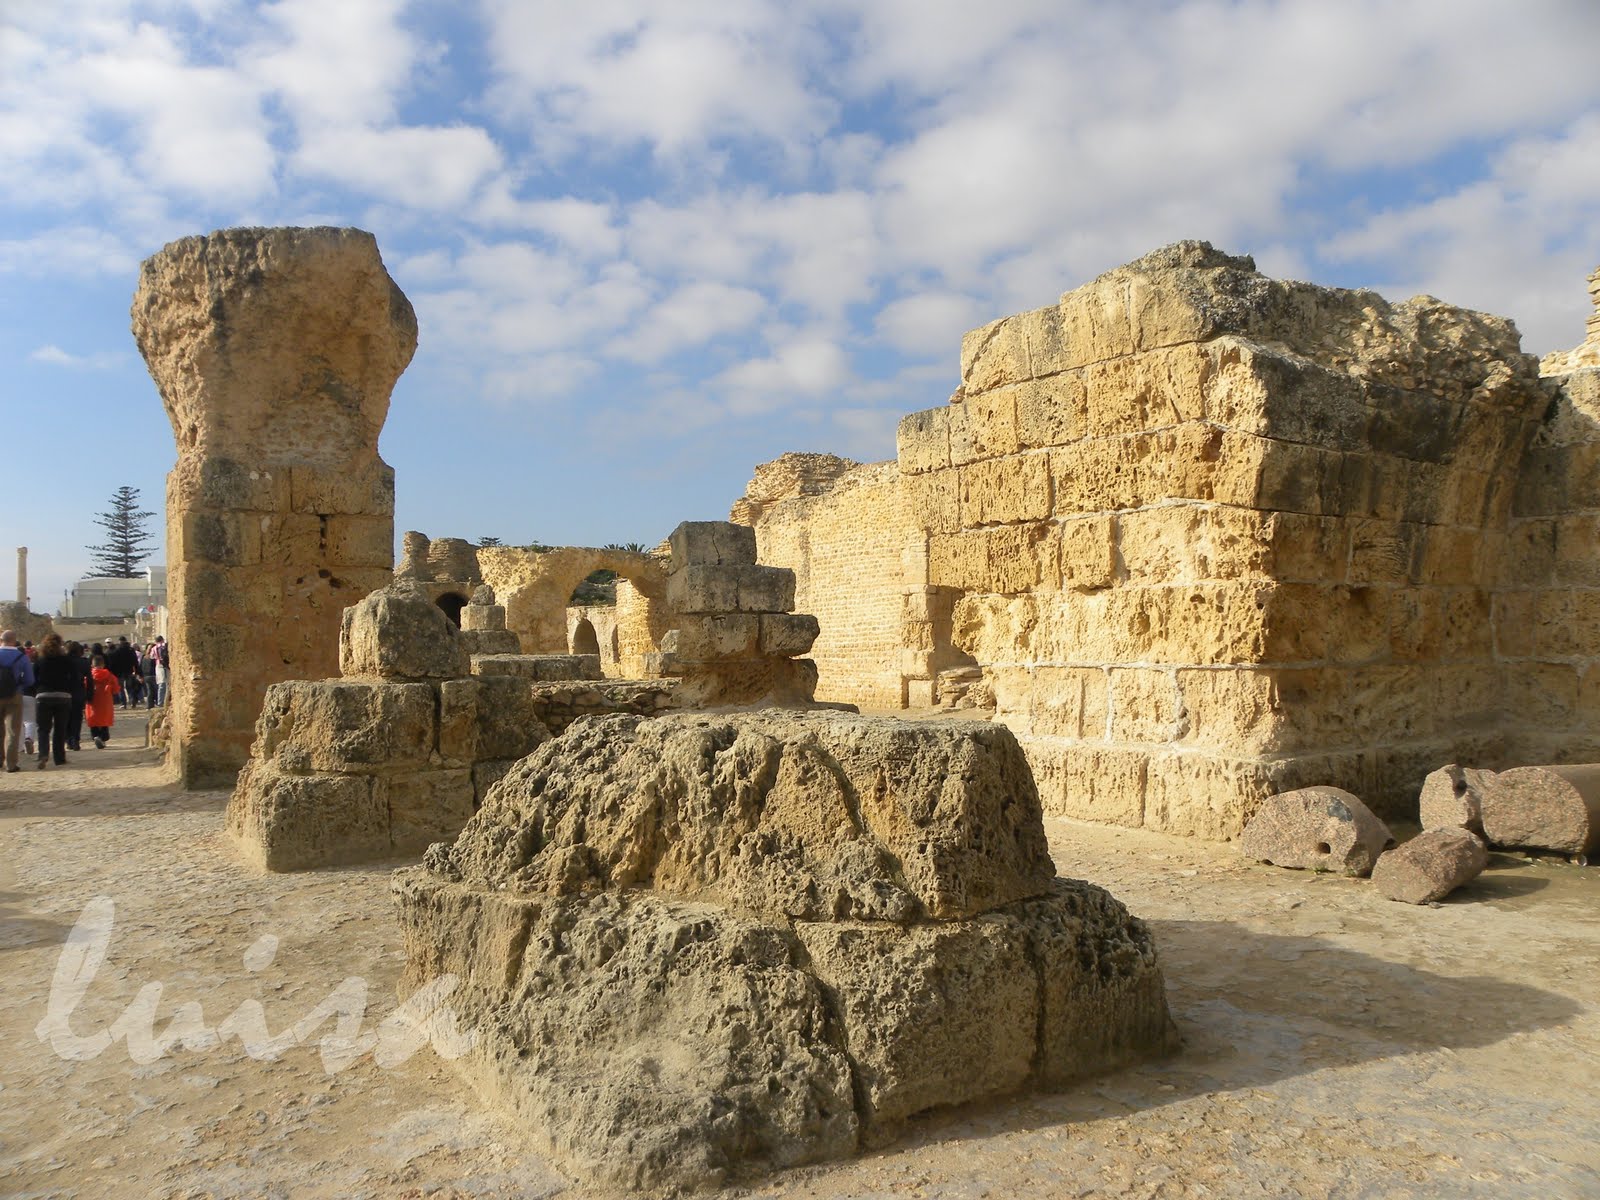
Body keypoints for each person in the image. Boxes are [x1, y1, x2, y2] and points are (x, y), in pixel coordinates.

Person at [30, 634, 75, 768]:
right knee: (60, 729)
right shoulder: (66, 660)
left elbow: (33, 680)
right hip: (63, 696)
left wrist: (37, 691)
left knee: (43, 729)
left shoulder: (40, 660)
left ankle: (43, 754)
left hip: (43, 696)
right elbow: (73, 677)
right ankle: (59, 758)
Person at [0, 630, 35, 773]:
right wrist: (18, 685)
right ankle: (11, 763)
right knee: (13, 730)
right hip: (14, 695)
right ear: (14, 641)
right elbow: (30, 680)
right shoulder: (21, 657)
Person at [86, 653, 118, 748]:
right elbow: (116, 689)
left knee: (93, 720)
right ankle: (103, 738)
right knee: (104, 722)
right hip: (105, 702)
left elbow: (84, 687)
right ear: (103, 664)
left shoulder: (89, 676)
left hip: (92, 702)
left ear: (92, 665)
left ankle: (95, 736)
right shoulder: (109, 675)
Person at [65, 641, 92, 751]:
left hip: (65, 692)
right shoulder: (83, 662)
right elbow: (90, 680)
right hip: (78, 692)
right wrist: (90, 694)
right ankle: (75, 739)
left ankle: (68, 740)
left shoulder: (63, 661)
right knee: (77, 717)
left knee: (65, 717)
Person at [109, 637, 138, 708]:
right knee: (130, 687)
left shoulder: (117, 650)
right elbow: (135, 661)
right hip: (129, 671)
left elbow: (114, 662)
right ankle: (132, 702)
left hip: (120, 672)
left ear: (119, 641)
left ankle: (123, 703)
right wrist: (137, 671)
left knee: (120, 688)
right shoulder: (131, 650)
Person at [152, 635, 170, 707]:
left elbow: (152, 656)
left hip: (159, 665)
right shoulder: (164, 646)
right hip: (166, 666)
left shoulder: (154, 648)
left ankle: (160, 702)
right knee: (167, 684)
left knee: (161, 684)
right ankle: (165, 701)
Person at [141, 641, 159, 708]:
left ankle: (149, 705)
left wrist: (140, 676)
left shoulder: (144, 657)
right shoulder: (153, 657)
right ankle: (158, 703)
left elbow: (141, 666)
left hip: (146, 676)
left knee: (149, 691)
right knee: (156, 690)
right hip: (153, 675)